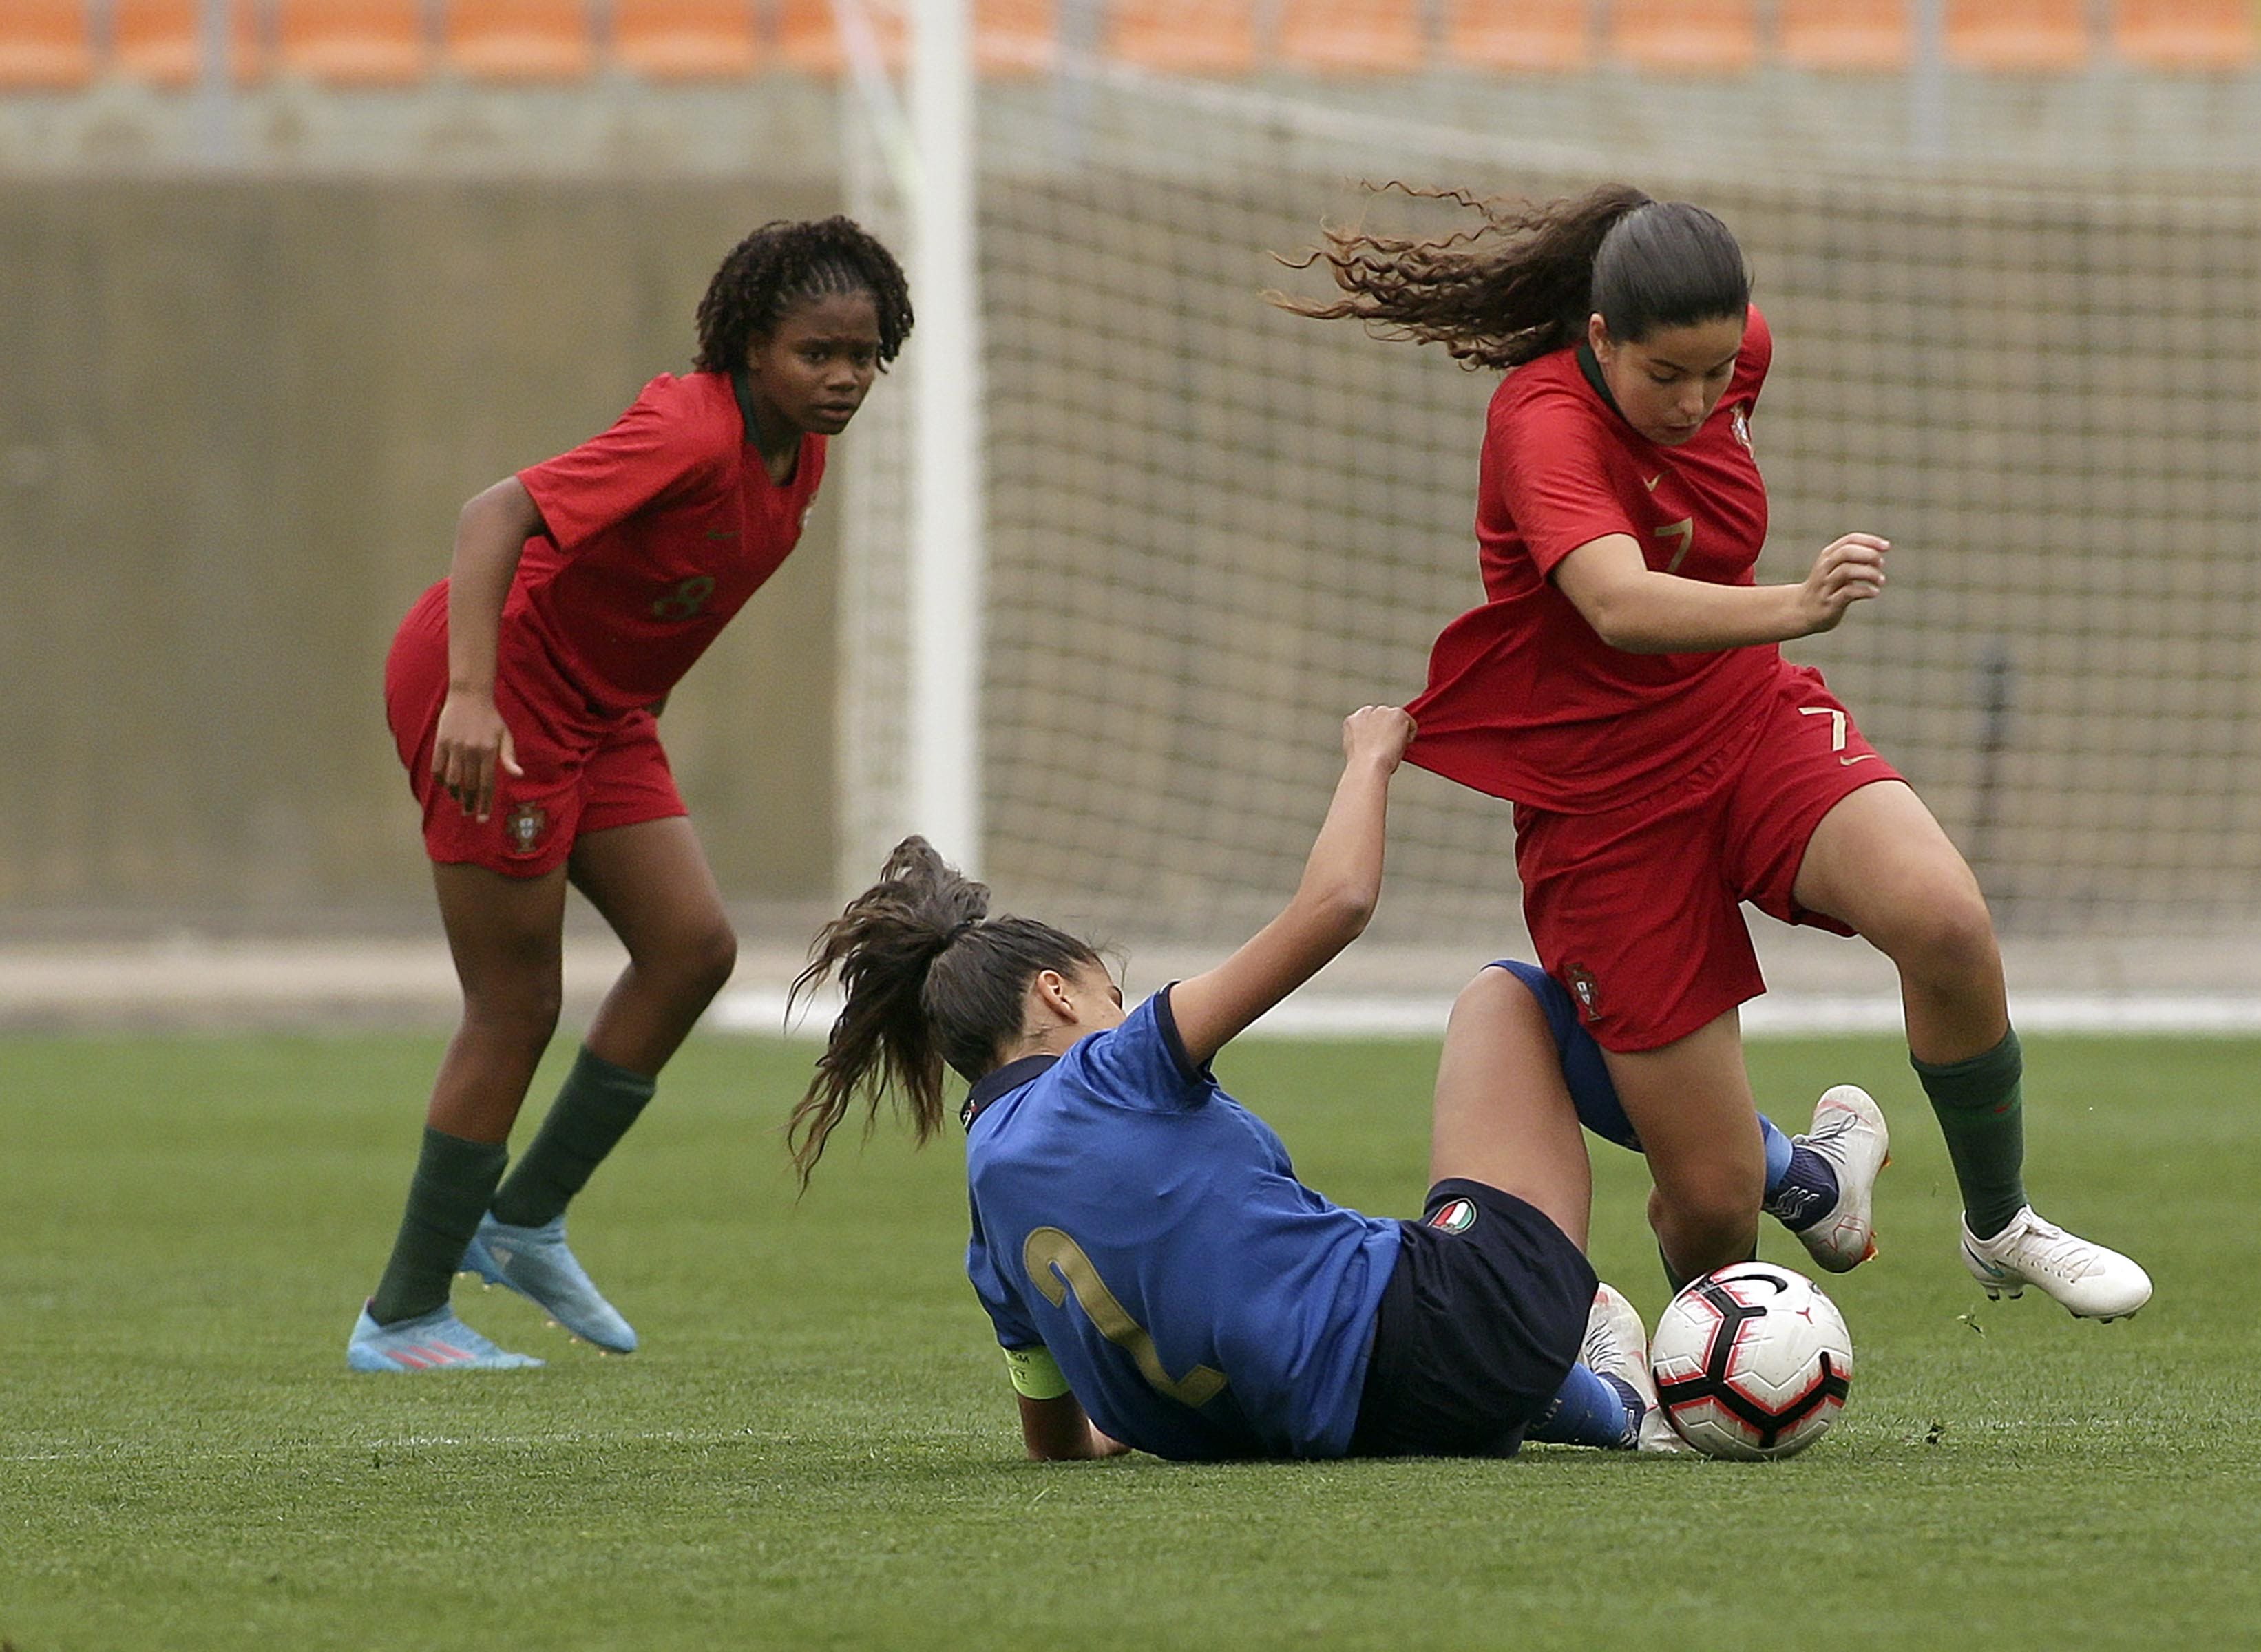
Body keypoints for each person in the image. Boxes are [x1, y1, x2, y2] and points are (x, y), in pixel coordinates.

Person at [1274, 186, 2149, 1320]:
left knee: (1944, 922)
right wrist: (1796, 603)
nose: (1699, 400)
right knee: (1713, 1199)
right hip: (1602, 809)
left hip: (1743, 722)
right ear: (1600, 339)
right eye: (1666, 378)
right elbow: (1618, 604)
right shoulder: (1541, 423)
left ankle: (2002, 1224)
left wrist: (1774, 625)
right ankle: (1719, 1364)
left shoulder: (1735, 357)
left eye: (1717, 371)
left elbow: (1701, 472)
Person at [791, 708, 1714, 1460]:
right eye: (1117, 995)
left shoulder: (989, 1225)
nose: (1131, 1010)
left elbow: (1061, 1448)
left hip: (1358, 1423)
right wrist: (1370, 758)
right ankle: (1790, 1171)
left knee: (1351, 1275)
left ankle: (1613, 1409)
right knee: (1510, 1001)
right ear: (1056, 993)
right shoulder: (1112, 1070)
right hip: (1459, 1335)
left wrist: (1147, 1412)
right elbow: (1338, 904)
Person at [346, 218, 914, 1373]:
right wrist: (470, 694)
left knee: (693, 948)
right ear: (753, 345)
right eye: (819, 353)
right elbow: (492, 514)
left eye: (864, 354)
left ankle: (524, 1218)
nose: (845, 377)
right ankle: (402, 1316)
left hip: (598, 713)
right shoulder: (690, 428)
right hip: (495, 694)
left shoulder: (796, 451)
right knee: (516, 1006)